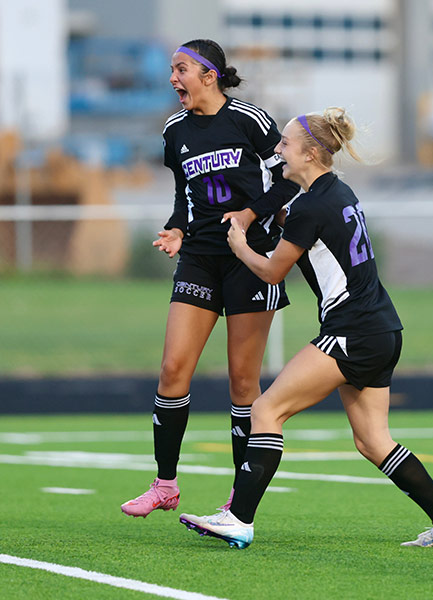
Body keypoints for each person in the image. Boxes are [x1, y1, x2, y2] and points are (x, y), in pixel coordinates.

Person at [178, 108, 433, 549]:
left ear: (312, 153)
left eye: (285, 145)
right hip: (382, 329)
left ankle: (238, 519)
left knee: (265, 410)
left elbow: (272, 271)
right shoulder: (337, 193)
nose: (277, 151)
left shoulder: (311, 206)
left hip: (352, 330)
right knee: (373, 441)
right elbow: (305, 233)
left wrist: (238, 245)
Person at [121, 39, 301, 518]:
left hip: (251, 258)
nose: (173, 78)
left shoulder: (251, 119)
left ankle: (237, 504)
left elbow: (287, 181)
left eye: (180, 69)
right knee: (172, 370)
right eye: (172, 70)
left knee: (243, 383)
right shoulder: (175, 129)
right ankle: (165, 484)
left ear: (209, 74)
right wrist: (178, 228)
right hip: (199, 257)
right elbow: (185, 193)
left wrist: (248, 214)